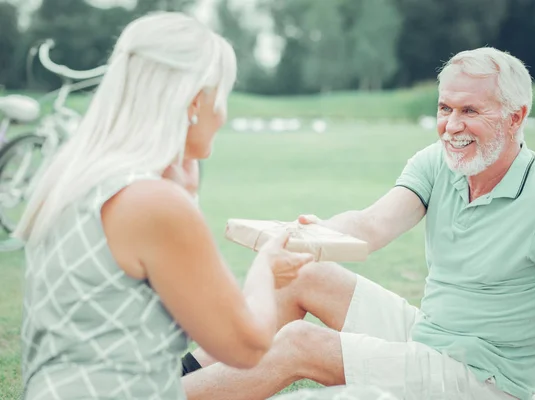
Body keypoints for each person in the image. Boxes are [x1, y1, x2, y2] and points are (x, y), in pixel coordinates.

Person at [179, 47, 535, 400]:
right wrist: (311, 232)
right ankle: (180, 374)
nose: (452, 126)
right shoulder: (440, 163)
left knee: (299, 344)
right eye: (445, 108)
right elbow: (371, 225)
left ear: (515, 117)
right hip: (429, 337)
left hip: (484, 381)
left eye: (470, 110)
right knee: (301, 275)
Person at [15, 12, 313, 400]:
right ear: (194, 101)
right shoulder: (152, 203)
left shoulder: (72, 176)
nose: (223, 114)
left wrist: (186, 197)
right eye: (222, 96)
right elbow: (248, 346)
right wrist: (266, 270)